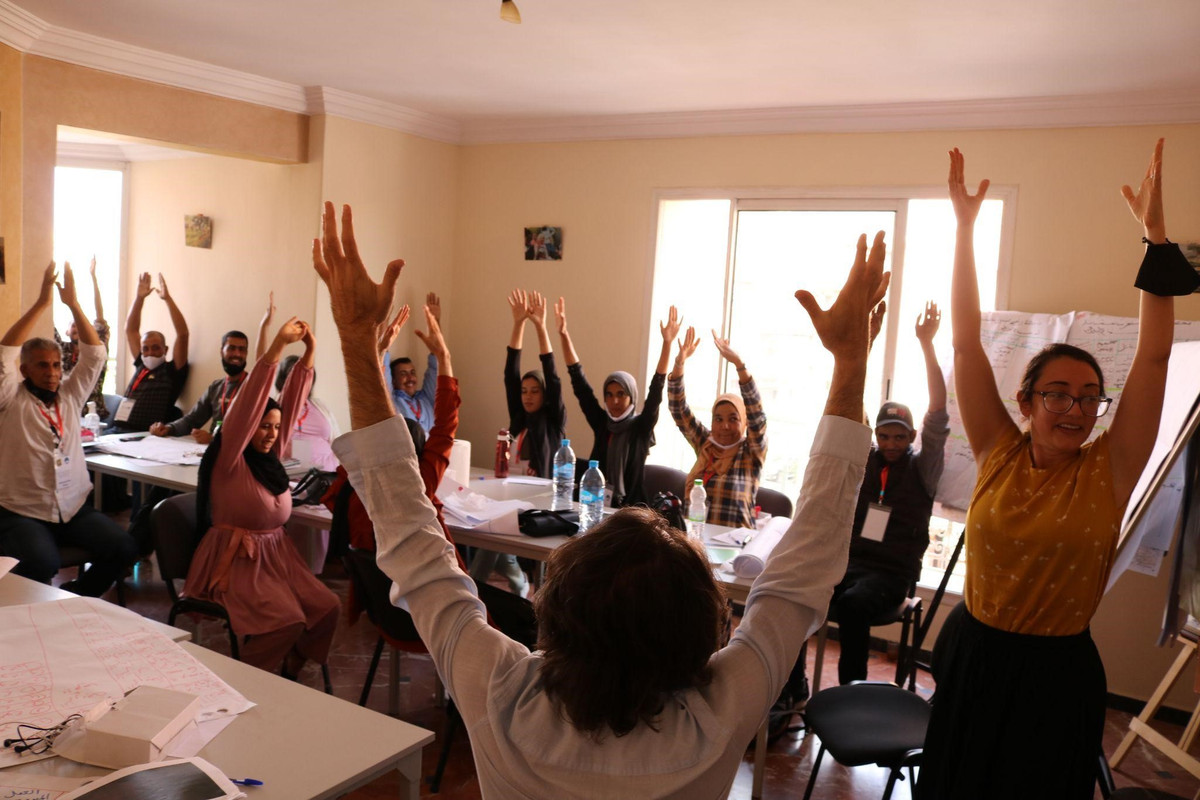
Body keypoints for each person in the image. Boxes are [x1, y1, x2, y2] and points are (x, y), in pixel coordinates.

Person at [317, 200, 887, 798]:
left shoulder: (501, 697)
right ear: (702, 632)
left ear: (554, 612)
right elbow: (804, 569)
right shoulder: (719, 719)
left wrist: (356, 340)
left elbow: (413, 547)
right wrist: (852, 362)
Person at [920, 141, 1181, 799]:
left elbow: (1153, 359)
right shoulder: (998, 451)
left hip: (1057, 673)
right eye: (1058, 394)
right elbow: (965, 342)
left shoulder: (1110, 468)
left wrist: (1155, 239)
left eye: (1090, 396)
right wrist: (964, 229)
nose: (1076, 408)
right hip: (973, 653)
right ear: (1026, 402)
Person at [776, 301, 949, 717]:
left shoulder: (922, 468)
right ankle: (793, 687)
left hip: (891, 574)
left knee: (853, 606)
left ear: (911, 437)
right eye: (884, 436)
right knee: (801, 591)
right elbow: (851, 410)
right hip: (850, 563)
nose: (891, 444)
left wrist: (927, 345)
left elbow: (938, 415)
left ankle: (849, 700)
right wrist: (865, 343)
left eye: (899, 437)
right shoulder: (866, 458)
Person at [183, 315, 340, 675]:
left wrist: (310, 354)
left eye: (275, 427)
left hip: (277, 556)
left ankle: (290, 667)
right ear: (247, 427)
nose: (271, 434)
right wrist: (277, 347)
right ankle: (244, 682)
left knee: (327, 607)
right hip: (239, 561)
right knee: (286, 620)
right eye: (263, 426)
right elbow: (249, 403)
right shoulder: (231, 458)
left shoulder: (270, 456)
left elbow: (292, 400)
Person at [0, 262, 136, 596]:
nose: (52, 372)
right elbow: (4, 354)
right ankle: (34, 616)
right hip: (21, 511)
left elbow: (95, 355)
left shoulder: (70, 396)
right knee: (41, 563)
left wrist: (73, 304)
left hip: (72, 508)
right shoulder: (9, 398)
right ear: (24, 370)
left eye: (56, 365)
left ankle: (80, 599)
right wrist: (41, 304)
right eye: (42, 365)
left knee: (124, 548)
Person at [554, 297, 676, 507]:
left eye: (621, 394)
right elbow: (579, 383)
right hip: (595, 505)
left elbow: (656, 389)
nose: (615, 401)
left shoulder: (641, 426)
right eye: (609, 395)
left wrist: (667, 344)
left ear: (632, 397)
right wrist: (564, 334)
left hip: (632, 510)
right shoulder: (602, 423)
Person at [668, 326, 767, 530]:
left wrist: (739, 365)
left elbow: (757, 415)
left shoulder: (751, 452)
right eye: (718, 419)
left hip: (733, 544)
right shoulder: (706, 444)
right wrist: (679, 363)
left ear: (744, 422)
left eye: (733, 419)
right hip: (695, 539)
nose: (725, 426)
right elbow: (678, 408)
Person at [114, 271, 189, 432]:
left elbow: (183, 334)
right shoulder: (141, 364)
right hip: (118, 430)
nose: (150, 353)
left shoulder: (172, 370)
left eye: (156, 348)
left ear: (165, 349)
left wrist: (167, 299)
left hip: (143, 435)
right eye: (145, 349)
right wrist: (139, 298)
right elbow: (130, 330)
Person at [149, 330, 249, 444]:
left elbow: (251, 431)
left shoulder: (255, 386)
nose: (237, 354)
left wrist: (213, 439)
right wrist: (168, 428)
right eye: (231, 348)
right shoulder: (215, 387)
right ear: (222, 352)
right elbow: (192, 419)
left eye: (241, 349)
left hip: (238, 451)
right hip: (213, 450)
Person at [55, 256, 111, 420]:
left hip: (94, 415)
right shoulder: (60, 349)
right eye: (73, 326)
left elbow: (100, 316)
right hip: (66, 412)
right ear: (66, 332)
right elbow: (46, 322)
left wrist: (93, 278)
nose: (77, 329)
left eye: (80, 326)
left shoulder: (98, 348)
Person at [383, 292, 441, 433]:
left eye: (412, 372)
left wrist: (435, 323)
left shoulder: (426, 398)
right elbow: (382, 371)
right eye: (403, 374)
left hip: (433, 447)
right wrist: (384, 325)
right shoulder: (392, 401)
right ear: (394, 381)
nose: (410, 378)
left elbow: (436, 365)